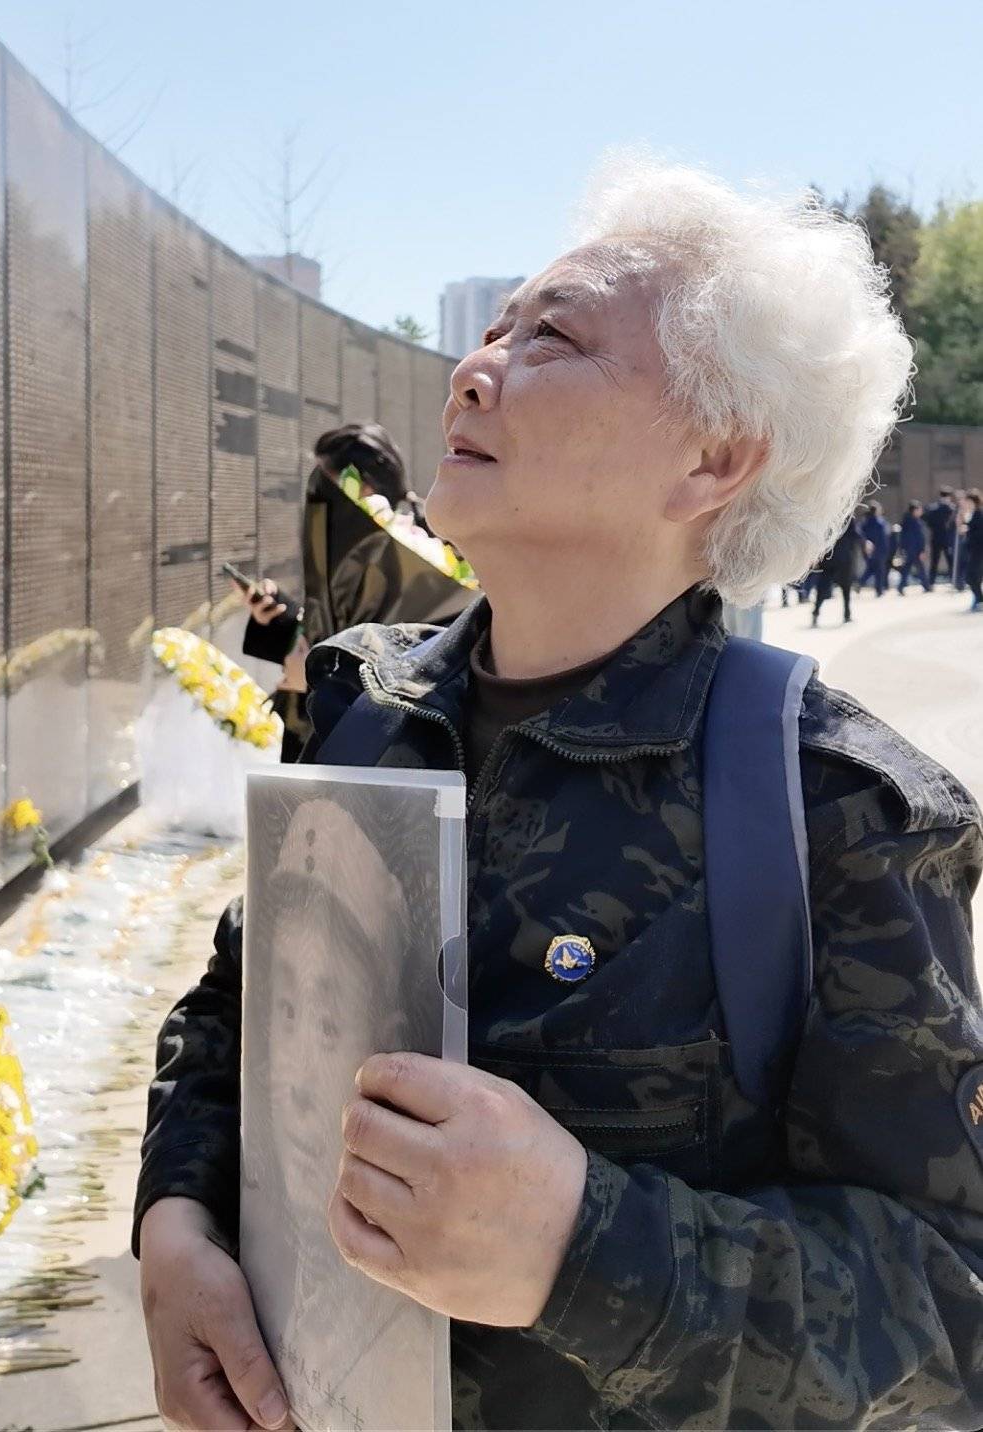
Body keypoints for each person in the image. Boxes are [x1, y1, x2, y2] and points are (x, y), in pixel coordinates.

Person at [135, 155, 983, 1432]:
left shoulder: (835, 809)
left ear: (713, 459)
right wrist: (175, 1221)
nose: (475, 371)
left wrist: (581, 1246)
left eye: (556, 340)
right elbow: (233, 1009)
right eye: (494, 328)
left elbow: (948, 1314)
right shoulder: (365, 708)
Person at [235, 423, 473, 760]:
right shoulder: (359, 553)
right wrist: (278, 619)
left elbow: (428, 673)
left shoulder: (438, 559)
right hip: (311, 737)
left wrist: (318, 680)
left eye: (334, 491)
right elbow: (338, 624)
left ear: (367, 486)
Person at [811, 514, 861, 625]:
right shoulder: (847, 515)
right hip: (843, 558)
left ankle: (816, 612)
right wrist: (864, 542)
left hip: (828, 558)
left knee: (823, 588)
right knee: (845, 588)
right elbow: (855, 534)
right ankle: (847, 615)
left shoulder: (826, 513)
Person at [897, 499, 932, 594]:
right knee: (918, 568)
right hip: (914, 550)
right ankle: (926, 586)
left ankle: (902, 586)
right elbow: (918, 538)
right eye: (919, 509)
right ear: (914, 510)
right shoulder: (914, 522)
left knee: (908, 568)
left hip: (909, 549)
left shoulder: (907, 521)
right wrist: (922, 550)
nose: (921, 511)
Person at [857, 498, 890, 595]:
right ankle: (879, 590)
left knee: (872, 568)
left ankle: (861, 583)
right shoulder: (879, 522)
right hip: (879, 549)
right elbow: (883, 537)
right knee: (879, 570)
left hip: (868, 550)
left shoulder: (864, 522)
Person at [925, 486, 957, 585]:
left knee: (934, 562)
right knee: (951, 561)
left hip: (936, 538)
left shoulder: (932, 508)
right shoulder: (952, 508)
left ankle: (931, 582)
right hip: (948, 539)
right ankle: (954, 580)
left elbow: (928, 522)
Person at [966, 489, 983, 611]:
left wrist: (968, 531)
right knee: (973, 577)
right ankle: (978, 599)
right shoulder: (974, 514)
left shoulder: (979, 514)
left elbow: (979, 533)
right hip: (975, 550)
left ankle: (979, 599)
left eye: (968, 501)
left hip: (979, 550)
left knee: (971, 576)